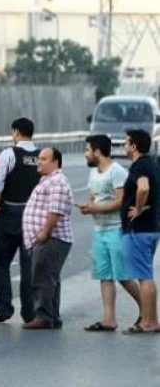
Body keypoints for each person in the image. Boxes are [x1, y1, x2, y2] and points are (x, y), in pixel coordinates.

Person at [78, 135, 142, 331]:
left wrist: (96, 209)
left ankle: (147, 311)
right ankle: (109, 319)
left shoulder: (117, 172)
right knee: (104, 276)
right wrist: (88, 207)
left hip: (116, 229)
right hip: (99, 231)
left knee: (122, 276)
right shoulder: (93, 173)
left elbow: (121, 201)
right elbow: (93, 197)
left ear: (97, 152)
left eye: (88, 150)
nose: (86, 154)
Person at [0, 118, 40, 323]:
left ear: (16, 132)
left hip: (10, 215)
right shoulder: (42, 156)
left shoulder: (9, 154)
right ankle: (29, 312)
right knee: (29, 267)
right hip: (34, 217)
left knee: (0, 263)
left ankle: (5, 307)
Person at [21, 148, 74, 329]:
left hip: (51, 239)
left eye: (44, 159)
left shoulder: (57, 182)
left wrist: (45, 232)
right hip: (47, 239)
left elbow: (55, 210)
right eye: (38, 159)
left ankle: (43, 316)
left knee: (43, 278)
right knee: (49, 277)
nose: (39, 162)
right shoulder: (47, 180)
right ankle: (52, 315)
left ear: (55, 162)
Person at [120, 129, 160, 334]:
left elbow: (143, 188)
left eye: (126, 143)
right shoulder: (151, 164)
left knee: (144, 276)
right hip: (150, 227)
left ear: (134, 146)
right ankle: (151, 319)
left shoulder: (140, 165)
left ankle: (149, 322)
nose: (124, 146)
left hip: (139, 230)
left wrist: (137, 208)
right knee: (145, 274)